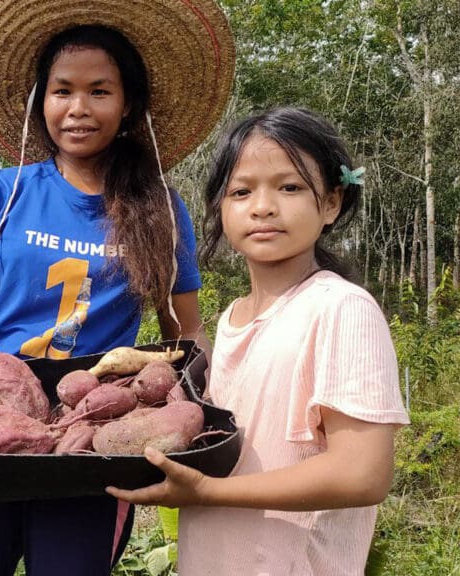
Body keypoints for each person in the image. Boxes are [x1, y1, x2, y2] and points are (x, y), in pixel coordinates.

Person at [0, 1, 235, 574]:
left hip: (91, 433)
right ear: (40, 101)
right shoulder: (4, 192)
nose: (78, 109)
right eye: (62, 91)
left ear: (128, 105)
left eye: (100, 91)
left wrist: (184, 407)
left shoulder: (159, 209)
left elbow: (185, 332)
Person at [107, 107, 411, 576]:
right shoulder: (231, 318)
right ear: (221, 209)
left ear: (330, 203)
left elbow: (363, 473)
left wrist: (206, 492)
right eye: (241, 191)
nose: (263, 206)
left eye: (289, 187)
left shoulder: (340, 308)